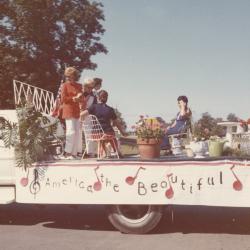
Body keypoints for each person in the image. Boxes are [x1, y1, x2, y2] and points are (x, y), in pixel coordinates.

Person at [80, 90, 128, 158]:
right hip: (106, 134)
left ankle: (105, 153)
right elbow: (117, 123)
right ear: (107, 98)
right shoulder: (110, 109)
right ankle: (117, 152)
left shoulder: (93, 107)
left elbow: (82, 114)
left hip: (95, 134)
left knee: (102, 136)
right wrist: (122, 132)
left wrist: (82, 123)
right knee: (112, 137)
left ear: (98, 97)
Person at [60, 67, 83, 159]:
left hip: (77, 111)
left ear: (75, 76)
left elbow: (82, 98)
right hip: (68, 111)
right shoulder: (64, 85)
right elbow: (63, 99)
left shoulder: (79, 86)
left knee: (77, 133)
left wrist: (80, 97)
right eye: (67, 76)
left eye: (70, 76)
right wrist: (73, 99)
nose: (68, 78)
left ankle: (74, 153)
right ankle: (67, 153)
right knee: (71, 132)